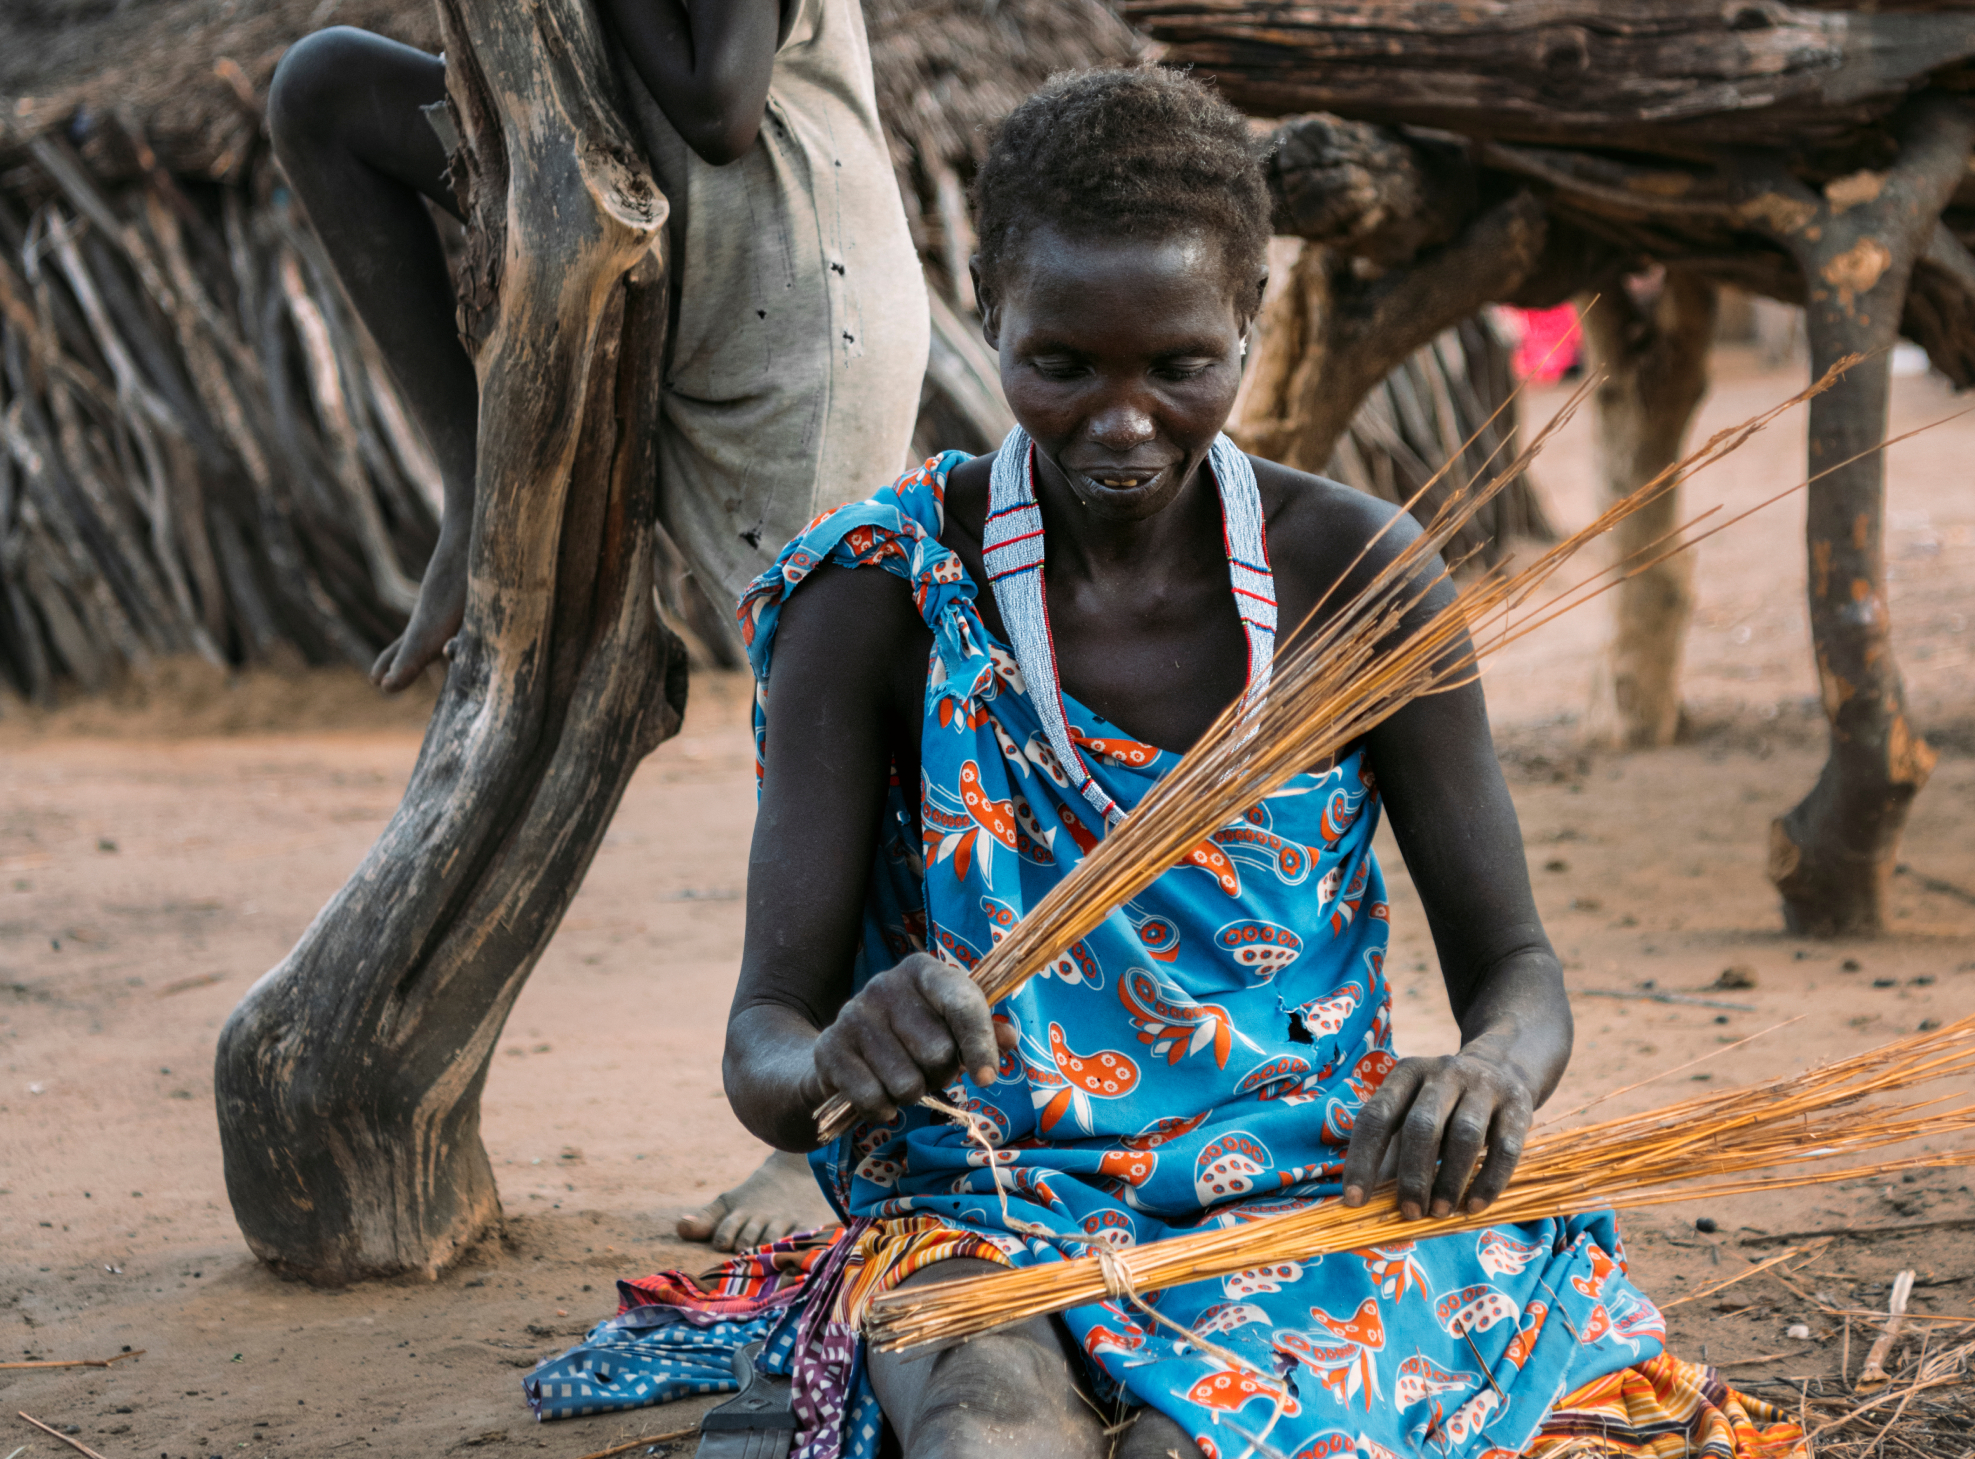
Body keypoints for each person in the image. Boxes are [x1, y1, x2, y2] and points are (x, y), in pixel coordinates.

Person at [522, 68, 1808, 1459]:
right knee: (980, 1430)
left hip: (1311, 1193)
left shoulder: (1356, 579)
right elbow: (764, 1044)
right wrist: (841, 1052)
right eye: (1062, 363)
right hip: (985, 1203)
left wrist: (1489, 1071)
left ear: (1252, 319)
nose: (1121, 421)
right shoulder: (879, 597)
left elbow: (1520, 970)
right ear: (988, 304)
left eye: (1181, 366)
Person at [266, 0, 929, 1249]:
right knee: (327, 88)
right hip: (654, 244)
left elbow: (721, 110)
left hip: (798, 300)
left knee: (829, 725)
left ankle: (830, 1135)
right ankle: (469, 494)